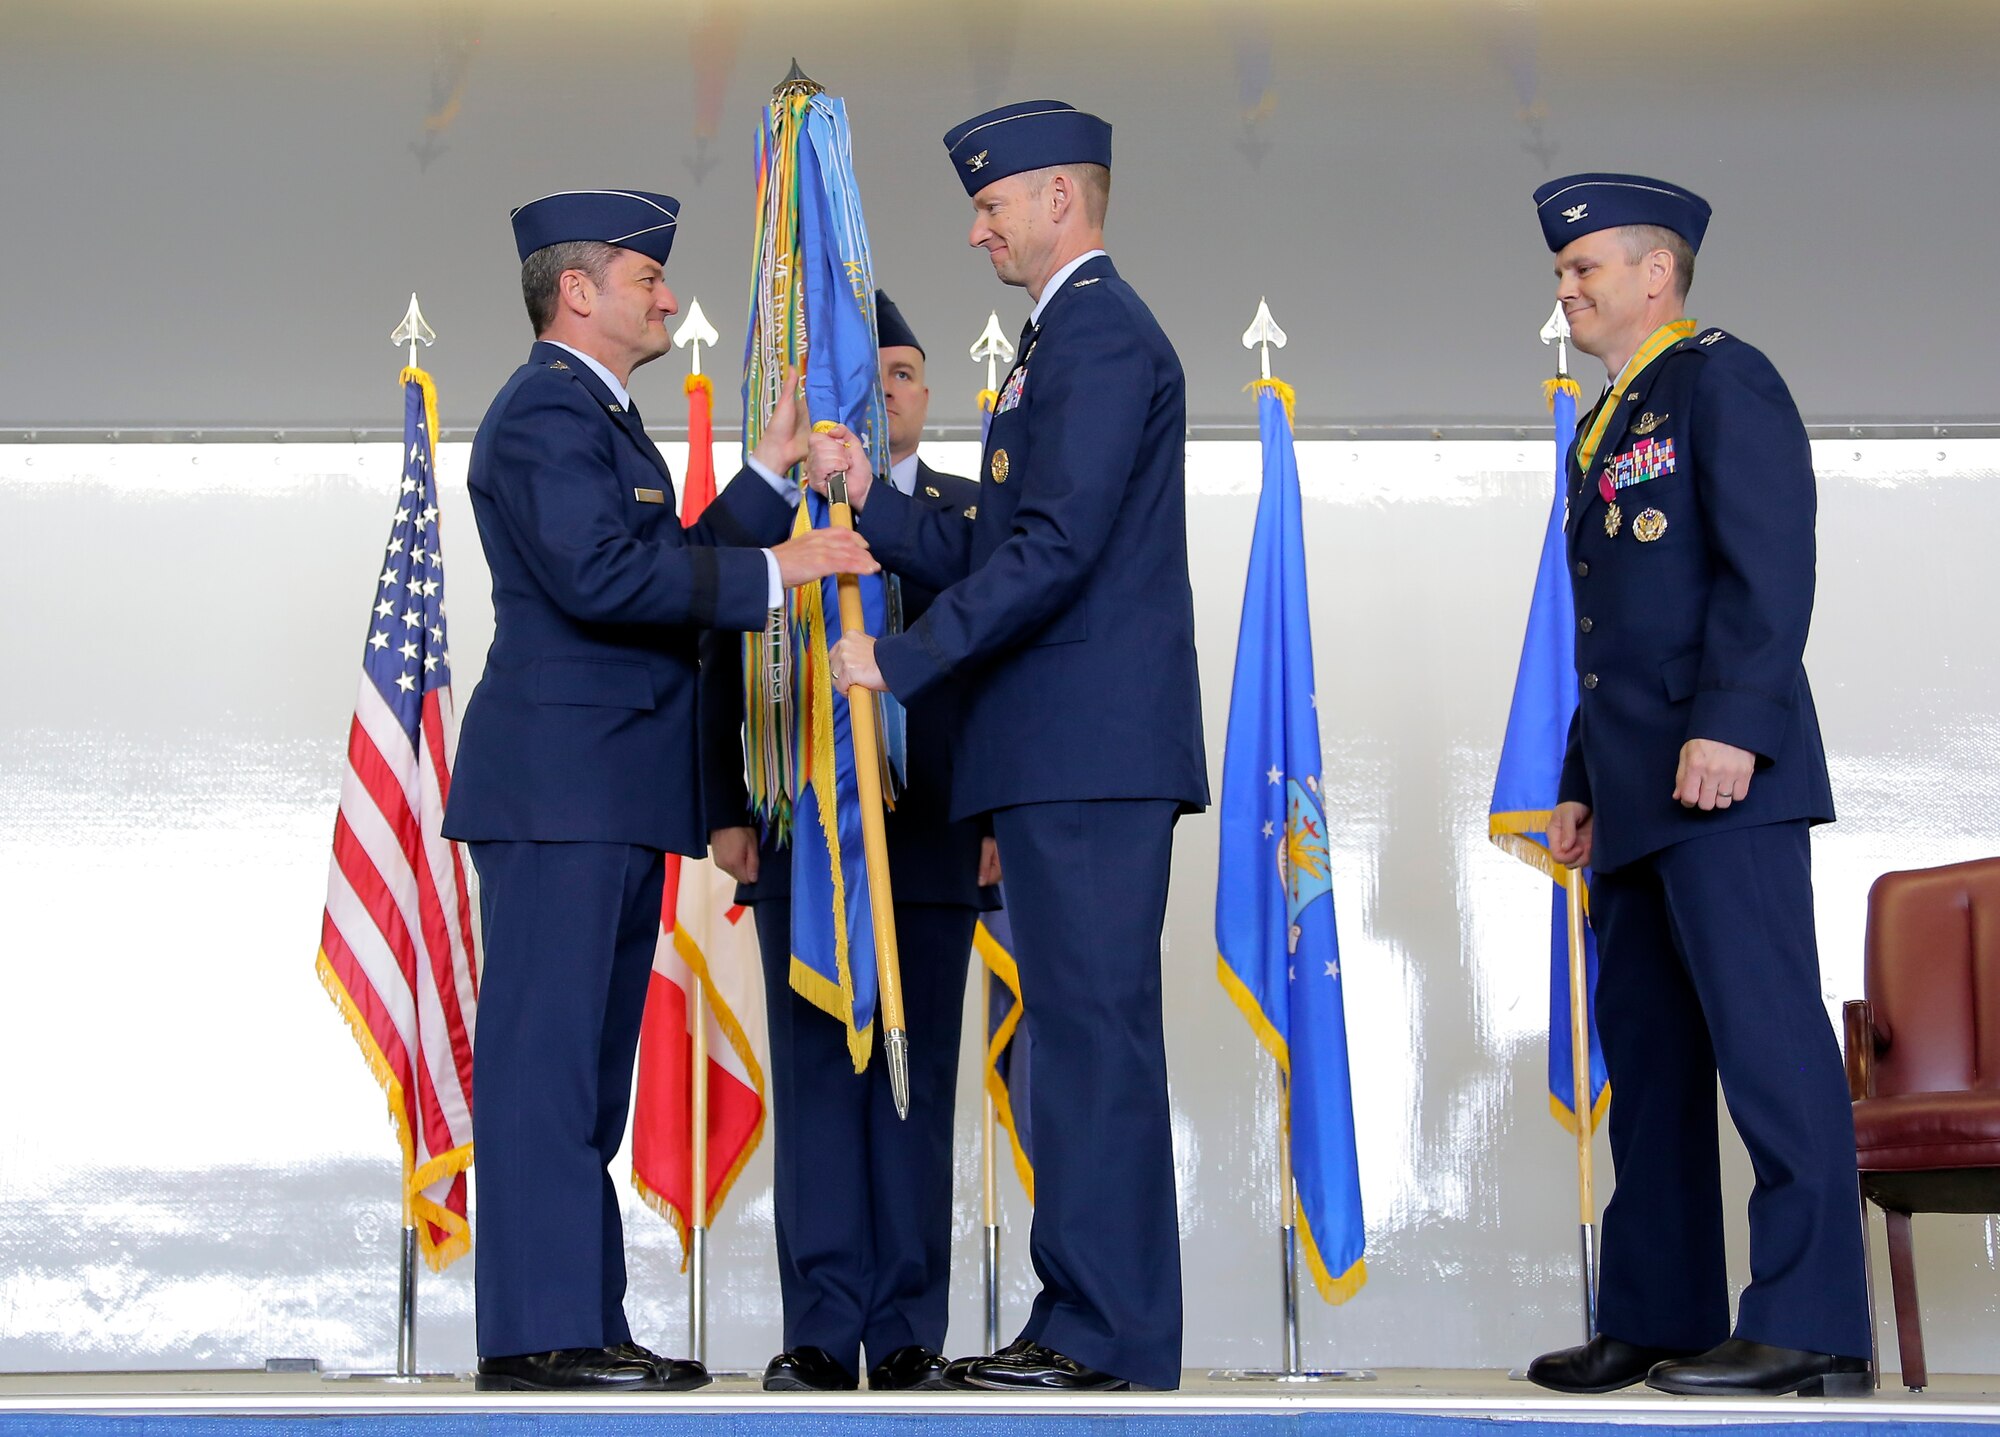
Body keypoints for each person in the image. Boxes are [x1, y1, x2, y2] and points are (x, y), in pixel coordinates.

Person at [442, 187, 874, 1393]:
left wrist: (761, 478)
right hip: (559, 792)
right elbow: (599, 579)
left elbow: (652, 560)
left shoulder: (596, 416)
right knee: (547, 1072)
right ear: (576, 290)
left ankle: (576, 1321)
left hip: (602, 791)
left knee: (584, 1074)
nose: (668, 299)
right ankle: (538, 1336)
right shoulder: (541, 412)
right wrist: (779, 564)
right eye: (646, 280)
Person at [807, 102, 1207, 1394]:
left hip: (1086, 748)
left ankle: (1099, 1334)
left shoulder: (1096, 330)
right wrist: (877, 504)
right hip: (1060, 749)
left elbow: (1057, 548)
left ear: (1059, 200)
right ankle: (1095, 1326)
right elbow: (998, 544)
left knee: (1090, 1040)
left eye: (991, 204)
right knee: (1081, 1041)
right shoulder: (1059, 337)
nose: (975, 228)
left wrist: (905, 656)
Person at [1524, 174, 1870, 1399]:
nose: (1564, 287)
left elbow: (1767, 567)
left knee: (1768, 1053)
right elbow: (1609, 627)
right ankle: (1658, 1313)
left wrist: (1729, 725)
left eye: (1585, 270)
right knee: (1654, 1065)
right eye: (1561, 272)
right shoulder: (1600, 417)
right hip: (1628, 793)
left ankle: (1813, 1324)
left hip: (1726, 779)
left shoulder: (1722, 375)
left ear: (1655, 274)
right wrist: (1576, 778)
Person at [701, 291, 997, 1394]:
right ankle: (824, 1327)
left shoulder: (974, 519)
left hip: (933, 838)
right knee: (820, 1092)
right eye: (867, 376)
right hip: (802, 844)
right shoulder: (779, 516)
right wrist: (722, 805)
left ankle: (909, 1328)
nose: (889, 392)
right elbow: (710, 658)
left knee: (915, 1098)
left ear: (925, 395)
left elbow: (1007, 664)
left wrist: (998, 818)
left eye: (907, 373)